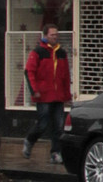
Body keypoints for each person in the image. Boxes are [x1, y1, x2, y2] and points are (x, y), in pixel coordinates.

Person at [22, 23, 72, 163]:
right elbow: (29, 72)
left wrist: (67, 95)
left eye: (56, 34)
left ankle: (55, 153)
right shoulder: (37, 52)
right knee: (42, 124)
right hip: (43, 95)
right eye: (52, 35)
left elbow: (66, 76)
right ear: (45, 36)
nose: (55, 37)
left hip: (58, 96)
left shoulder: (61, 53)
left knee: (58, 126)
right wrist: (34, 91)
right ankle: (29, 141)